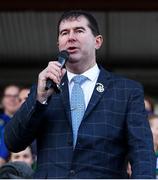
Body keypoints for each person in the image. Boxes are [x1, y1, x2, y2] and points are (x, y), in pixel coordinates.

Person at [4, 10, 155, 178]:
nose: (71, 37)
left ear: (97, 42)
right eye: (64, 33)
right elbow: (12, 142)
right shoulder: (44, 89)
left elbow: (142, 153)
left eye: (79, 31)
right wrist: (39, 99)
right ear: (58, 44)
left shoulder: (126, 91)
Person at [0, 85, 20, 166]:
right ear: (2, 100)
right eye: (8, 96)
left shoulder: (30, 123)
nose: (12, 99)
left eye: (16, 96)